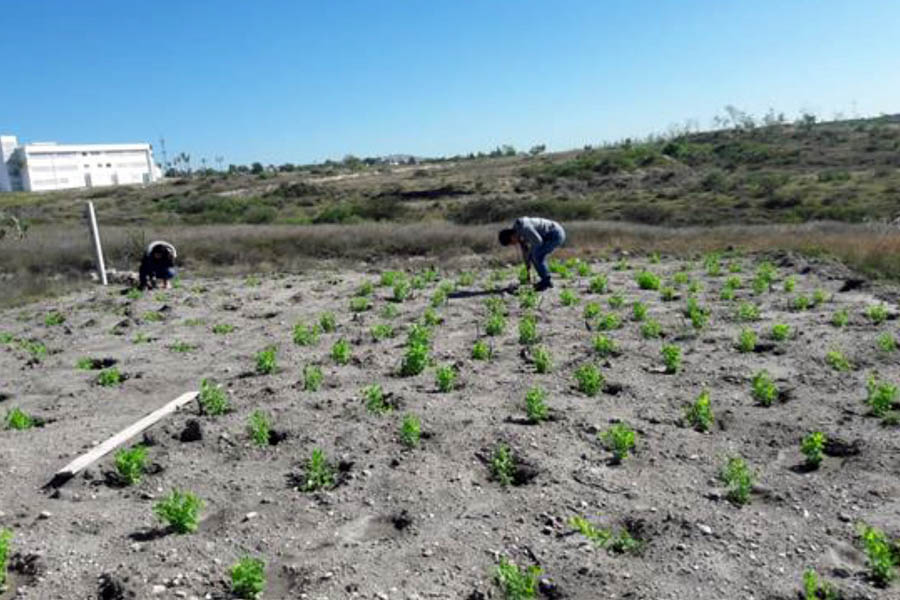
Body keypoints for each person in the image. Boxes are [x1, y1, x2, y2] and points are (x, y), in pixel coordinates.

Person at [498, 217, 566, 291]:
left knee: (537, 255)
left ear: (511, 236)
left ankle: (546, 281)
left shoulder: (524, 229)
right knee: (535, 255)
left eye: (511, 243)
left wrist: (531, 254)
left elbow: (538, 242)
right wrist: (528, 269)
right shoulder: (518, 233)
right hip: (547, 236)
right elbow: (525, 251)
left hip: (556, 234)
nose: (514, 244)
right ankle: (545, 281)